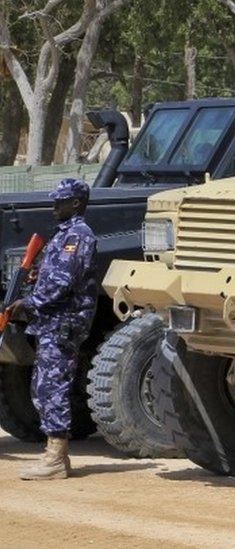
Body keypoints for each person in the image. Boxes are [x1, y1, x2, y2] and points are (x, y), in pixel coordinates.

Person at [6, 178, 98, 481]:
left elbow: (62, 284)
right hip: (51, 322)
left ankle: (56, 458)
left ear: (76, 203)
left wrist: (28, 303)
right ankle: (54, 454)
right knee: (43, 386)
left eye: (60, 201)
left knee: (53, 387)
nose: (54, 206)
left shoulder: (77, 236)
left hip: (63, 323)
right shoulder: (63, 236)